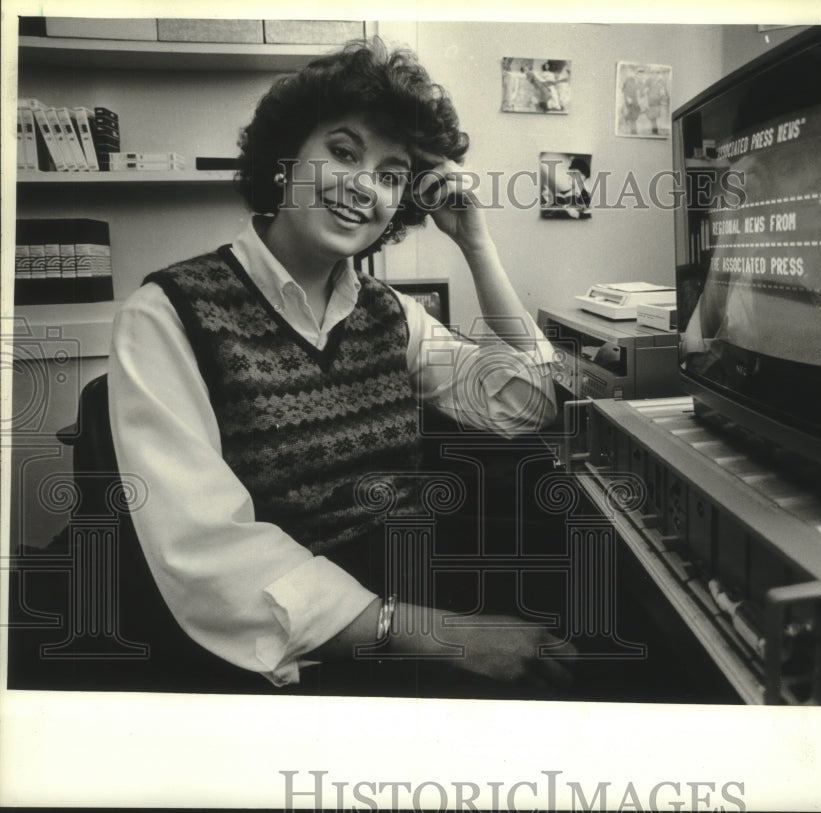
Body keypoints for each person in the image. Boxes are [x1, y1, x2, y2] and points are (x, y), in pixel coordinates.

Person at [108, 38, 574, 695]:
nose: (365, 187)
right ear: (284, 160)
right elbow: (209, 553)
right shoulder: (165, 315)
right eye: (344, 152)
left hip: (420, 600)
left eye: (391, 174)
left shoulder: (390, 313)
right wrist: (446, 634)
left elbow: (524, 404)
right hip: (299, 652)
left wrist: (476, 242)